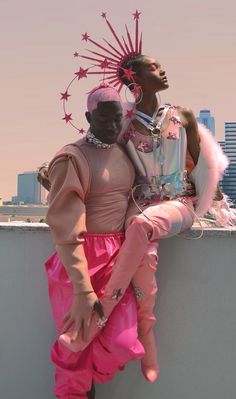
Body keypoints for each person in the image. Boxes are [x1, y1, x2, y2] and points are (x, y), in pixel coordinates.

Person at [56, 53, 228, 384]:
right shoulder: (125, 125)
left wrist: (218, 205)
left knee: (140, 226)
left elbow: (202, 164)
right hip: (140, 204)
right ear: (134, 77)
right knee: (143, 261)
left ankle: (98, 317)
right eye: (154, 68)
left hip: (178, 204)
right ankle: (147, 337)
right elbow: (102, 156)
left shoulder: (182, 116)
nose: (163, 71)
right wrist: (58, 168)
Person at [45, 85, 145, 399]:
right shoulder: (71, 157)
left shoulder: (125, 149)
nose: (114, 126)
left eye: (118, 119)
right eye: (104, 120)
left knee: (120, 343)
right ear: (88, 117)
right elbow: (65, 225)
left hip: (118, 258)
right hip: (80, 261)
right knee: (75, 352)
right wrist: (82, 288)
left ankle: (88, 382)